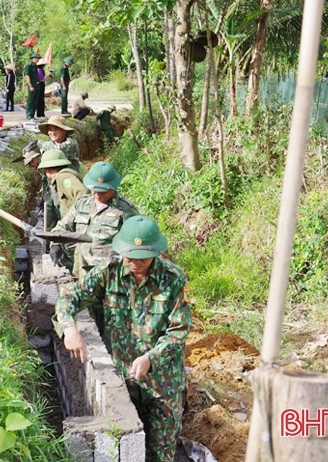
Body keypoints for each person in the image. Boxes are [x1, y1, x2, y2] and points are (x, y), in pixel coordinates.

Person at [55, 215, 191, 462]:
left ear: (155, 253)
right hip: (124, 377)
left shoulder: (172, 279)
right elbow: (69, 298)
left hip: (164, 383)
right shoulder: (110, 272)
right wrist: (69, 328)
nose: (133, 263)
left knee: (161, 451)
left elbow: (179, 330)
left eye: (141, 258)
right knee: (128, 448)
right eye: (129, 257)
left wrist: (151, 358)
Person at [51, 161, 139, 280]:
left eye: (103, 191)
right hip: (82, 270)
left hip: (111, 275)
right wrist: (55, 243)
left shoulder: (126, 210)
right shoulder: (82, 204)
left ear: (112, 188)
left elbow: (137, 243)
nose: (97, 195)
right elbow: (62, 226)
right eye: (94, 190)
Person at [24, 52, 41, 120]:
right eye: (36, 58)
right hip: (32, 84)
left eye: (38, 58)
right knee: (31, 100)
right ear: (33, 58)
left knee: (35, 100)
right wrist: (30, 86)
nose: (37, 59)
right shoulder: (29, 66)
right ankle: (29, 115)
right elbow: (27, 76)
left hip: (37, 84)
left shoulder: (36, 66)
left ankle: (32, 115)